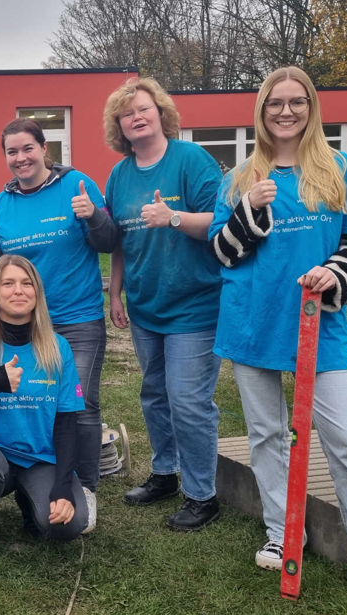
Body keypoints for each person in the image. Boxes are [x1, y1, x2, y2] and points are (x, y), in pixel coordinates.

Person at [208, 66, 347, 610]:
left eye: (296, 102)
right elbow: (223, 253)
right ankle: (282, 531)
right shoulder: (240, 177)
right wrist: (249, 211)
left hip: (320, 324)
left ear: (311, 107)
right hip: (254, 321)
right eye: (276, 103)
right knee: (267, 436)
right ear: (262, 111)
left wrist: (335, 273)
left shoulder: (340, 169)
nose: (286, 111)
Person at [0, 118, 118, 515]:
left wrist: (94, 216)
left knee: (79, 405)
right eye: (12, 152)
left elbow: (108, 241)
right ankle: (38, 476)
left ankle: (84, 488)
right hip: (24, 325)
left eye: (27, 149)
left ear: (44, 149)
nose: (21, 158)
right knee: (34, 401)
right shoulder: (0, 206)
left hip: (76, 318)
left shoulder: (77, 185)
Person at [101, 78, 225, 531]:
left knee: (188, 400)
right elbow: (119, 240)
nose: (136, 117)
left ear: (161, 112)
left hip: (194, 305)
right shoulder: (119, 174)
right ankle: (165, 473)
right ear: (120, 125)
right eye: (126, 113)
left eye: (143, 109)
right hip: (146, 306)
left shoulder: (191, 160)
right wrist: (114, 292)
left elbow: (221, 222)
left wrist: (172, 217)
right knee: (154, 394)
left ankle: (202, 494)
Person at [0, 255, 94, 567]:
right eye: (8, 283)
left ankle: (31, 500)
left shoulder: (57, 347)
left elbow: (67, 422)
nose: (18, 291)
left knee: (70, 525)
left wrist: (63, 486)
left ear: (37, 293)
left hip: (40, 459)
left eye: (26, 284)